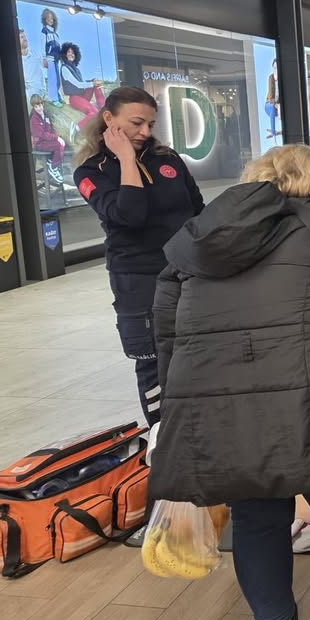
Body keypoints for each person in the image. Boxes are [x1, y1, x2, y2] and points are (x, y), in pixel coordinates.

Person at [150, 144, 310, 620]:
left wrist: (190, 393)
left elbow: (165, 328)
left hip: (224, 402)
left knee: (255, 510)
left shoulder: (199, 233)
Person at [73, 86, 204, 425]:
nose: (145, 132)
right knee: (153, 363)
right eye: (136, 123)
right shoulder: (91, 172)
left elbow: (197, 210)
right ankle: (164, 443)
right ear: (109, 120)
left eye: (151, 124)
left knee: (200, 354)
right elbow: (129, 216)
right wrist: (127, 160)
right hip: (138, 279)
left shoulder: (168, 158)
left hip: (188, 272)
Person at [59, 42, 106, 138]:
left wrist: (92, 82)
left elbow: (83, 84)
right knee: (94, 113)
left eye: (73, 52)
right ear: (64, 54)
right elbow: (77, 84)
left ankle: (103, 106)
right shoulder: (64, 68)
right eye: (69, 52)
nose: (71, 54)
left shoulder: (76, 69)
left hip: (82, 95)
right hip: (75, 98)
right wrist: (91, 84)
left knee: (94, 81)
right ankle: (76, 127)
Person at [29, 95, 66, 184]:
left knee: (63, 143)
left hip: (47, 141)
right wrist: (56, 138)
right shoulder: (34, 119)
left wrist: (58, 137)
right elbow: (42, 134)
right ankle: (53, 167)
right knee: (58, 145)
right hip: (40, 144)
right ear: (34, 107)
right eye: (36, 106)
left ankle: (51, 161)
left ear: (43, 104)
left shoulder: (45, 115)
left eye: (40, 105)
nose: (39, 108)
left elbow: (50, 130)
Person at [41, 8, 62, 106]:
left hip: (56, 59)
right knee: (52, 78)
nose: (50, 20)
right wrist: (44, 58)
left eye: (52, 18)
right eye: (48, 18)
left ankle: (57, 96)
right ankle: (54, 99)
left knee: (57, 79)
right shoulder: (44, 31)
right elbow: (42, 45)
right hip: (49, 58)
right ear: (45, 19)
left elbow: (59, 47)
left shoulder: (56, 34)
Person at [19, 29, 46, 101]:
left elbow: (46, 64)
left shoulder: (34, 53)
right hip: (28, 94)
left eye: (25, 36)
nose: (25, 39)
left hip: (39, 92)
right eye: (22, 37)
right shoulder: (16, 61)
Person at [265, 59, 280, 140]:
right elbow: (270, 97)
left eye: (277, 68)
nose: (276, 70)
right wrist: (276, 103)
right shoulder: (271, 77)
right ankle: (273, 133)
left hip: (279, 104)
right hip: (270, 104)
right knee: (272, 108)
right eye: (274, 68)